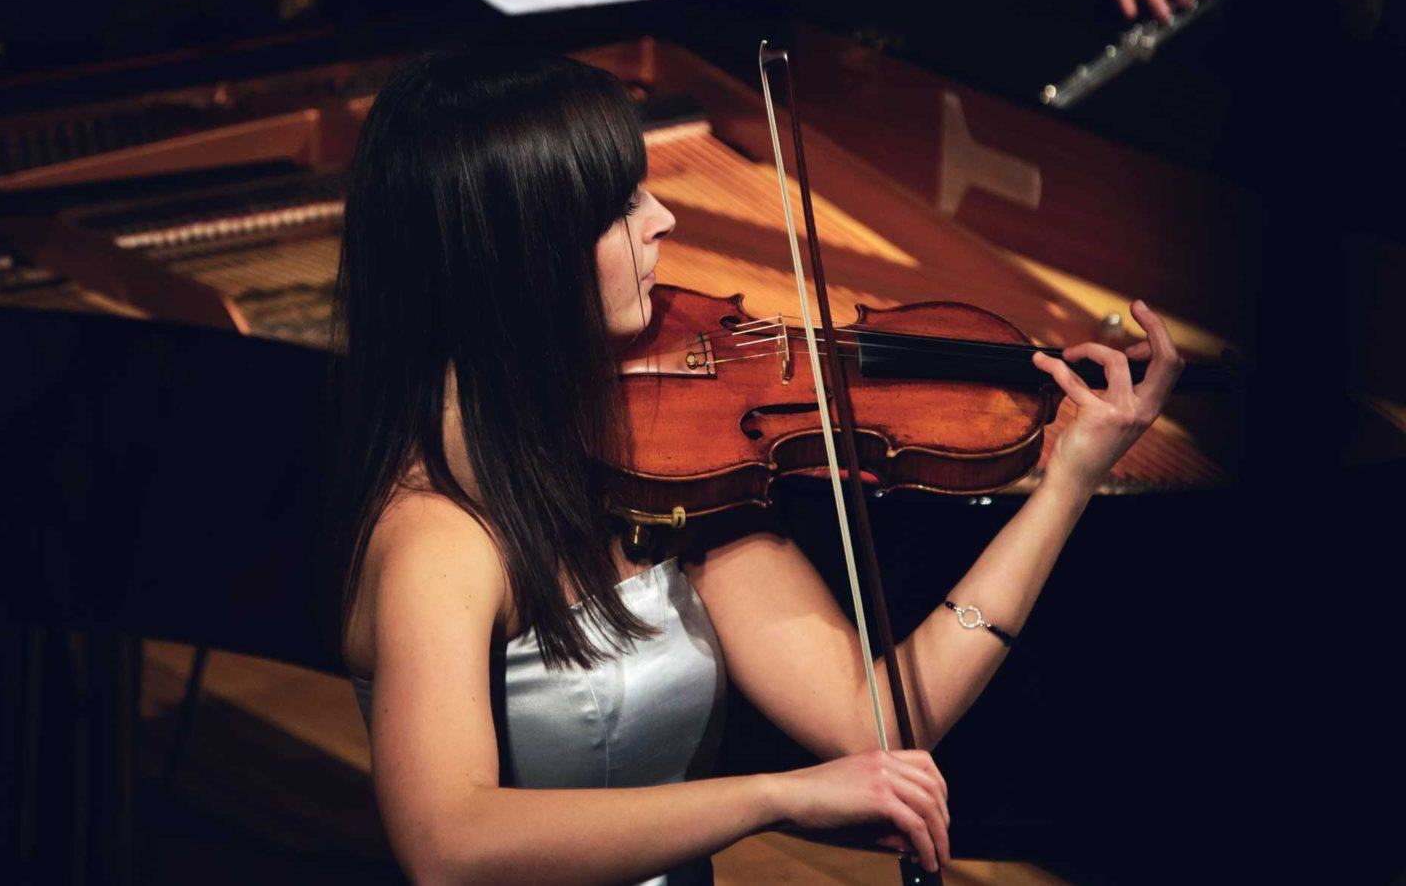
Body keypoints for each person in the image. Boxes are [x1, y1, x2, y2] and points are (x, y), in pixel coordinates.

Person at [328, 49, 1184, 885]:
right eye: (623, 205)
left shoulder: (668, 458)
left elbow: (870, 715)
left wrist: (1067, 484)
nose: (664, 218)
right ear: (520, 256)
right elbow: (450, 845)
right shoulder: (437, 543)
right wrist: (775, 797)